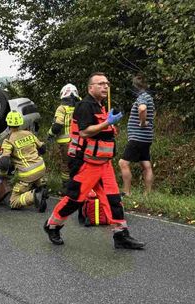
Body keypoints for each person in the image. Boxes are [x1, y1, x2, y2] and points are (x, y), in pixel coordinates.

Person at [43, 72, 145, 249]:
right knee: (74, 199)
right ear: (91, 88)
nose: (105, 86)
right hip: (86, 163)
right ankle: (52, 226)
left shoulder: (101, 106)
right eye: (100, 84)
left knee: (113, 199)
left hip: (103, 164)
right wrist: (107, 123)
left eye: (107, 83)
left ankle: (121, 235)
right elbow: (84, 132)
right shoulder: (84, 106)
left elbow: (102, 132)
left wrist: (111, 126)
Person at [0, 111, 48, 212]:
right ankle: (41, 187)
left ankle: (34, 196)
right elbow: (43, 148)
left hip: (27, 173)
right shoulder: (29, 134)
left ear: (7, 123)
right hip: (41, 168)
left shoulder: (8, 140)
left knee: (13, 202)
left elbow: (4, 162)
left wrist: (2, 176)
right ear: (20, 122)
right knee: (37, 177)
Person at [118, 75, 155, 196]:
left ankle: (126, 192)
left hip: (137, 137)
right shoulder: (149, 97)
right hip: (146, 138)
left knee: (123, 163)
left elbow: (142, 109)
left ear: (135, 87)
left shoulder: (143, 97)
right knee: (146, 164)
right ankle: (147, 193)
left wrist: (142, 122)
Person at [47, 84, 80, 193]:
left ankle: (66, 189)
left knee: (66, 166)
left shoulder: (62, 108)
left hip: (66, 143)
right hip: (80, 141)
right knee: (77, 165)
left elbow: (57, 125)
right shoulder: (80, 106)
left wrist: (50, 134)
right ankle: (78, 187)